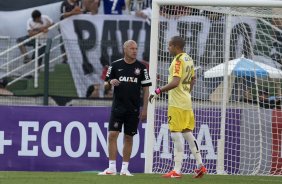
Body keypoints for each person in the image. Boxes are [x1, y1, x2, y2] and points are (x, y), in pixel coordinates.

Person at [149, 36, 207, 178]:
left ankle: (177, 170)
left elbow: (175, 82)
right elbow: (193, 79)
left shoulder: (178, 60)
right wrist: (186, 92)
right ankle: (200, 165)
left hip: (176, 104)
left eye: (169, 46)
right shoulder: (188, 58)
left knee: (175, 135)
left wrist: (158, 91)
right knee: (188, 134)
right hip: (186, 102)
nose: (168, 48)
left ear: (175, 46)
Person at [98, 40, 152, 176]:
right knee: (112, 135)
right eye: (132, 48)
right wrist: (110, 82)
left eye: (136, 48)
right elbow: (105, 84)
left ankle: (124, 169)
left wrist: (145, 109)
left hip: (133, 109)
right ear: (125, 49)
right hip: (118, 107)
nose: (135, 51)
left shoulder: (142, 67)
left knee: (129, 137)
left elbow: (146, 90)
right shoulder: (115, 65)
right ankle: (111, 168)